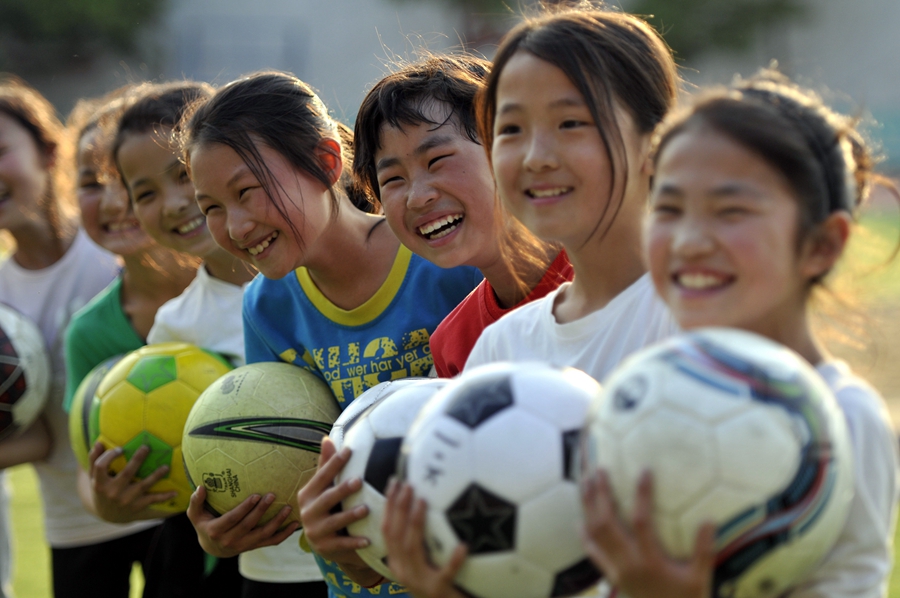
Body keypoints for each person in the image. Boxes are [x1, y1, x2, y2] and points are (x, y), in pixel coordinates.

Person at [380, 5, 681, 597]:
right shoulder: (500, 348)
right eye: (512, 129)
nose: (536, 155)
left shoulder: (705, 320)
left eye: (570, 123)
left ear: (657, 140)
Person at [580, 71, 900, 598]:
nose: (689, 241)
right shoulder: (637, 395)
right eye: (668, 208)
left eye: (731, 211)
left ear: (822, 245)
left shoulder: (843, 418)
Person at [182, 70, 481, 598]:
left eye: (247, 192)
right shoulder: (266, 307)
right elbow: (282, 460)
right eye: (212, 209)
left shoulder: (444, 256)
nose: (236, 226)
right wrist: (226, 523)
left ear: (326, 162)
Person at [112, 80, 323, 598]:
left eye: (183, 176)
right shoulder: (174, 327)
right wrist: (207, 530)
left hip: (367, 550)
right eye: (145, 193)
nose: (175, 203)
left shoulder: (325, 277)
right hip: (272, 569)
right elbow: (195, 471)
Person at [0, 77, 158, 598]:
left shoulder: (119, 240)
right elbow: (41, 436)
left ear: (49, 153)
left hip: (166, 505)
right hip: (74, 524)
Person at [63, 86, 209, 597]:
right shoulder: (90, 331)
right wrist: (106, 503)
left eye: (124, 184)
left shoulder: (244, 284)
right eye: (91, 184)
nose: (112, 202)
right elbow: (86, 461)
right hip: (183, 545)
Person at [352, 54, 572, 377]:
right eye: (393, 179)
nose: (417, 197)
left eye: (437, 161)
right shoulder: (454, 347)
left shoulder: (617, 276)